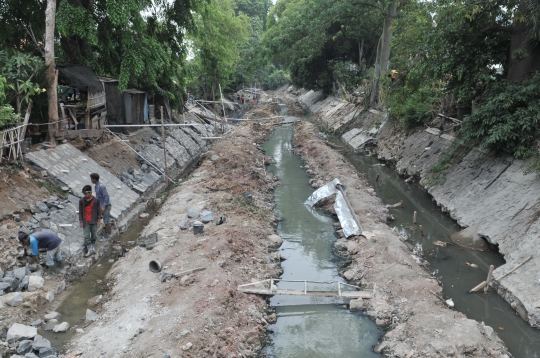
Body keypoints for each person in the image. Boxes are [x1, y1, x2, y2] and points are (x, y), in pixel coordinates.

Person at [79, 185, 101, 257]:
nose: (85, 195)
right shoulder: (82, 201)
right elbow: (81, 212)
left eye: (86, 193)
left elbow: (98, 211)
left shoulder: (96, 200)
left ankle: (92, 247)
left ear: (90, 192)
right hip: (85, 221)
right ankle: (89, 250)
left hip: (93, 220)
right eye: (84, 194)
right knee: (86, 236)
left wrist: (98, 220)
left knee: (94, 235)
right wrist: (81, 221)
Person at [90, 173, 111, 241]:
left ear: (94, 179)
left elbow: (106, 197)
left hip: (106, 206)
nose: (91, 180)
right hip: (101, 206)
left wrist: (104, 206)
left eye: (91, 179)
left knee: (106, 221)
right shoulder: (96, 186)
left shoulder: (101, 186)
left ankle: (107, 235)